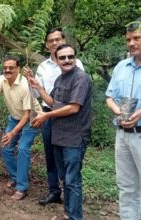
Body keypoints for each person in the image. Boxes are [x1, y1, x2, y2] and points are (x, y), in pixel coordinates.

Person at [28, 44, 92, 220]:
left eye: (70, 56)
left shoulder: (81, 78)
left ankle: (75, 216)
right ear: (57, 60)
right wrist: (39, 87)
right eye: (62, 57)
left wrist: (46, 116)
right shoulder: (60, 79)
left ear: (75, 58)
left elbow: (73, 108)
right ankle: (69, 213)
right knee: (65, 179)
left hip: (74, 137)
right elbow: (53, 102)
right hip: (59, 136)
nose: (66, 60)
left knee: (72, 180)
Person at [23, 27, 84, 206]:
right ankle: (54, 191)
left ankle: (71, 193)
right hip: (48, 114)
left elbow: (76, 100)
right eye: (51, 41)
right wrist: (32, 83)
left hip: (71, 117)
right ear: (47, 45)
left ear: (64, 40)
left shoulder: (75, 64)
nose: (55, 43)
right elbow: (37, 95)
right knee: (51, 154)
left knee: (70, 156)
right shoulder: (43, 66)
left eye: (58, 39)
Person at [0, 56, 41, 200]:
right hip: (15, 117)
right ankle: (18, 177)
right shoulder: (1, 79)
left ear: (18, 69)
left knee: (23, 148)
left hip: (32, 118)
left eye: (11, 68)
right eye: (5, 68)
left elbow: (27, 115)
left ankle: (22, 188)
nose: (7, 70)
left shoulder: (24, 85)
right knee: (5, 148)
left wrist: (12, 133)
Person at [106, 20, 141, 220]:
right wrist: (118, 110)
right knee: (127, 187)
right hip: (123, 136)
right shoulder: (121, 67)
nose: (131, 43)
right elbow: (109, 97)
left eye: (137, 38)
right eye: (128, 39)